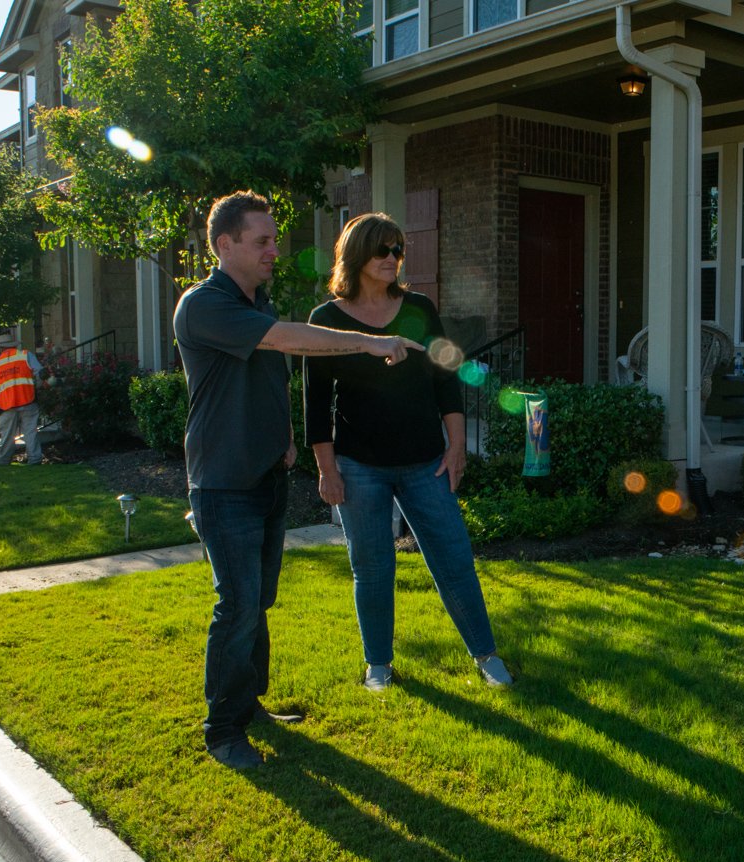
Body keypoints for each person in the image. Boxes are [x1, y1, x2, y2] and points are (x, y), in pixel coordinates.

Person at [175, 191, 421, 771]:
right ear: (224, 245)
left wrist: (286, 438)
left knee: (258, 601)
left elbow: (270, 374)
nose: (273, 250)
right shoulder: (205, 305)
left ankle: (248, 704)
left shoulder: (256, 300)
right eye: (261, 241)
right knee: (236, 605)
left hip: (265, 476)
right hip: (223, 482)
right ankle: (222, 729)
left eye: (274, 239)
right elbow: (288, 340)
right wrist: (371, 341)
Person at [304, 212, 512, 692]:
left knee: (454, 558)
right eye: (382, 249)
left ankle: (486, 655)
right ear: (357, 254)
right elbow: (315, 402)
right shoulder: (326, 320)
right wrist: (327, 469)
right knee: (373, 566)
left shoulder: (418, 307)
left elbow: (446, 379)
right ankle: (378, 663)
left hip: (425, 461)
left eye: (398, 249)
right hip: (358, 467)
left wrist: (456, 446)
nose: (392, 258)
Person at [0, 332, 43, 465]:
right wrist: (38, 386)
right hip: (27, 400)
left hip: (7, 405)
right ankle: (35, 460)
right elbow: (40, 372)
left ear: (0, 348)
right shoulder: (25, 355)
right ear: (13, 346)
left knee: (7, 436)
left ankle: (3, 461)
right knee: (30, 433)